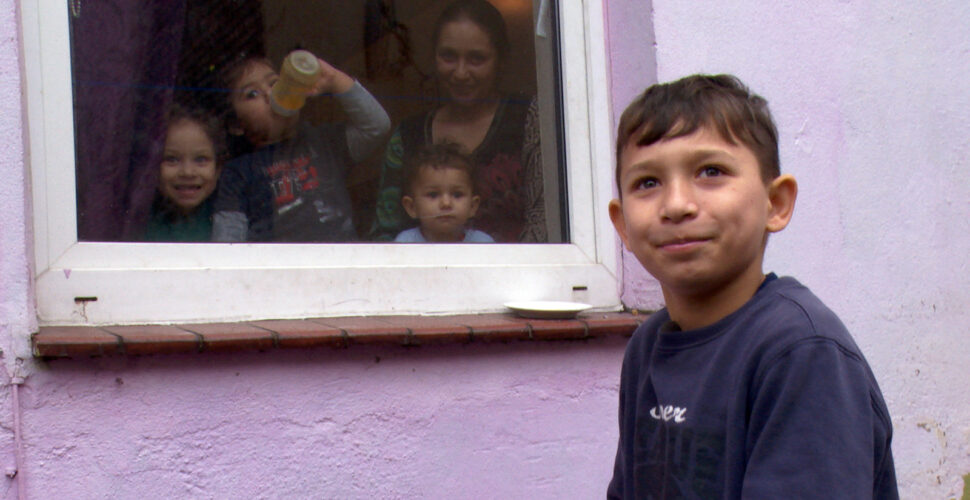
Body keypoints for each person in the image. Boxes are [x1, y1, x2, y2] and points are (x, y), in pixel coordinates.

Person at [606, 74, 898, 498]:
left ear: (775, 204)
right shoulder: (646, 347)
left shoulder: (800, 352)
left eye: (711, 171)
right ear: (623, 226)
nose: (676, 205)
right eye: (647, 183)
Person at [370, 0, 542, 242]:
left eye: (476, 59)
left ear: (500, 62)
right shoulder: (409, 136)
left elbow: (545, 220)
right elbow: (384, 236)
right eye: (449, 57)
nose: (461, 72)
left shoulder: (528, 120)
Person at [212, 52, 391, 242]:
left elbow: (376, 127)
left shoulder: (324, 141)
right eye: (252, 94)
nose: (270, 93)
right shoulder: (238, 173)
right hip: (284, 268)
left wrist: (335, 81)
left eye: (274, 83)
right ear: (237, 125)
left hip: (340, 261)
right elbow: (227, 243)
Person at [143, 105, 224, 242]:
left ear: (218, 169)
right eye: (171, 159)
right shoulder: (140, 220)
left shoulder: (226, 217)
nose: (187, 172)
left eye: (201, 159)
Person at [394, 143, 493, 243]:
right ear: (412, 207)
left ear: (473, 206)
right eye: (433, 195)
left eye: (457, 195)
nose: (446, 203)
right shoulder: (406, 243)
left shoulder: (482, 244)